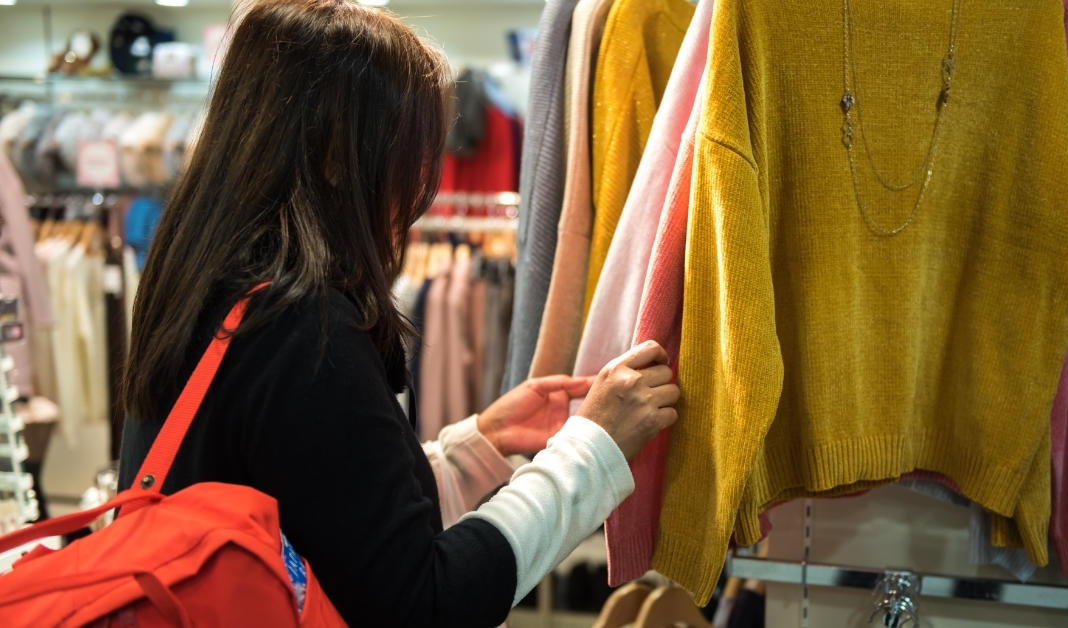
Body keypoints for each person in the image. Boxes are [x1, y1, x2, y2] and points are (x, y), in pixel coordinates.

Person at [116, 0, 680, 625]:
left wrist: (479, 444)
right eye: (408, 150)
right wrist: (590, 450)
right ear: (340, 155)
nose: (420, 184)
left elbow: (330, 523)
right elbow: (423, 602)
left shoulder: (207, 289)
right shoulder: (303, 329)